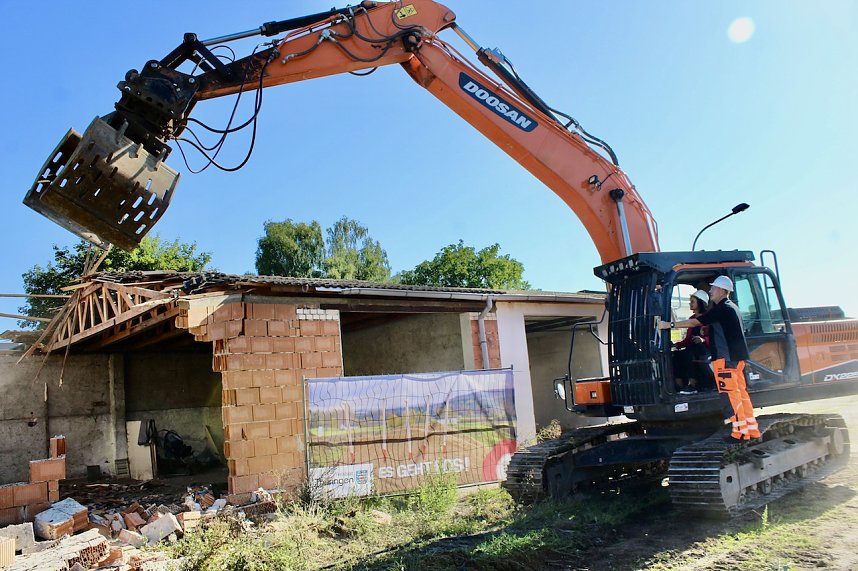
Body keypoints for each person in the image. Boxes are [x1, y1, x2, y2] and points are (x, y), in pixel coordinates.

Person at [659, 276, 760, 439]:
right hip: (736, 359)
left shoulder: (722, 309)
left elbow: (694, 323)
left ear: (721, 291)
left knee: (729, 396)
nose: (710, 291)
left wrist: (668, 325)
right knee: (741, 394)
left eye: (713, 288)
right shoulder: (732, 307)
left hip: (725, 360)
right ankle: (751, 430)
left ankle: (739, 434)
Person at [671, 289, 711, 394]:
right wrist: (677, 344)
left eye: (692, 301)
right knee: (675, 355)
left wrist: (703, 340)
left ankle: (692, 384)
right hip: (693, 349)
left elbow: (715, 337)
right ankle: (679, 383)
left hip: (706, 350)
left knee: (690, 352)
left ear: (700, 303)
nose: (690, 303)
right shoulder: (692, 318)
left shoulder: (709, 318)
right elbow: (688, 339)